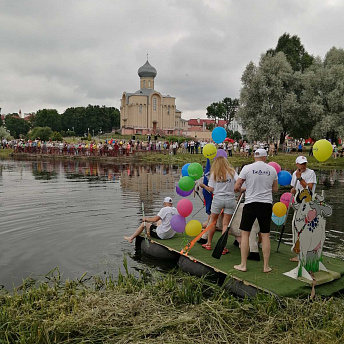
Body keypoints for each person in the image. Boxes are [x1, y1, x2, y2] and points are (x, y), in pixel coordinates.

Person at [233, 148, 278, 272]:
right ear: (265, 157)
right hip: (266, 204)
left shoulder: (247, 168)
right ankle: (266, 266)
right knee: (265, 235)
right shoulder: (272, 169)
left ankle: (243, 264)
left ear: (254, 157)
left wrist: (245, 188)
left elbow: (237, 186)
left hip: (251, 204)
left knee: (245, 234)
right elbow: (275, 189)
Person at [199, 157, 244, 254]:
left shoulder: (214, 173)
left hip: (218, 199)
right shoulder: (232, 172)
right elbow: (239, 183)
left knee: (212, 222)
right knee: (225, 225)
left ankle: (209, 243)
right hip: (230, 199)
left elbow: (211, 189)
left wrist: (203, 186)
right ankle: (222, 247)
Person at [289, 156, 317, 262]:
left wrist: (300, 178)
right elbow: (295, 188)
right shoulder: (294, 174)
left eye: (304, 163)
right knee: (296, 227)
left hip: (308, 203)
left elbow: (309, 188)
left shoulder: (311, 173)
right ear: (296, 164)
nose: (303, 165)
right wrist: (293, 190)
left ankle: (307, 252)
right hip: (299, 203)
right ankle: (299, 252)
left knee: (306, 227)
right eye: (301, 164)